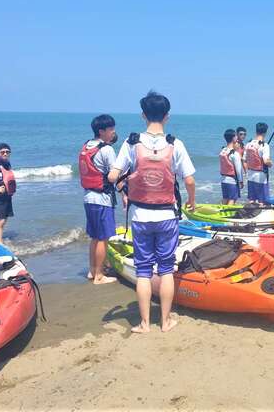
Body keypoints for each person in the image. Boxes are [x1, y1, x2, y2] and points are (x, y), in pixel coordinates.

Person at [108, 91, 196, 334]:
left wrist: (118, 181)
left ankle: (145, 323)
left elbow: (114, 175)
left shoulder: (132, 142)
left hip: (140, 216)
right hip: (167, 215)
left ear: (143, 115)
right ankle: (165, 322)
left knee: (143, 270)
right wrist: (191, 201)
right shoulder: (175, 143)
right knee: (166, 269)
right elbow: (188, 179)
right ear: (167, 116)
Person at [78, 114, 119, 284]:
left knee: (95, 237)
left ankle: (92, 271)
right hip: (102, 199)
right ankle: (99, 276)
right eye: (110, 129)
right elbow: (113, 176)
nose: (113, 132)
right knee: (103, 238)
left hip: (88, 197)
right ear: (102, 131)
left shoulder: (86, 145)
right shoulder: (107, 149)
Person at [244, 122, 272, 204]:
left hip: (250, 174)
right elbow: (266, 161)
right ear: (265, 132)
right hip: (260, 176)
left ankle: (249, 214)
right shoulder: (265, 145)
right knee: (261, 200)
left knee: (251, 199)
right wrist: (271, 163)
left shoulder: (248, 144)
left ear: (256, 131)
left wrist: (246, 173)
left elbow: (244, 160)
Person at [219, 129, 243, 205]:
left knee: (225, 198)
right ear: (233, 138)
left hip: (223, 179)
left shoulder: (222, 151)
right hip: (232, 180)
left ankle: (221, 214)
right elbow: (238, 170)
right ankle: (229, 214)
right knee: (232, 199)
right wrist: (241, 181)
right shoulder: (235, 154)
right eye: (236, 135)